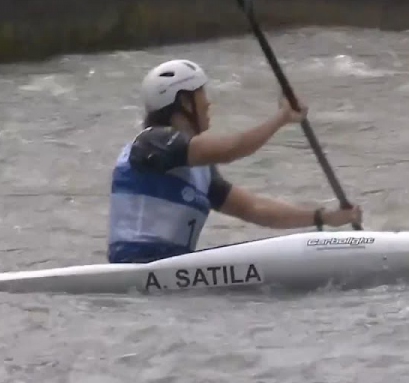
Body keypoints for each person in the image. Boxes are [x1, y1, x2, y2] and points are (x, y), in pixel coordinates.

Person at [107, 59, 363, 264]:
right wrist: (282, 118)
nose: (208, 103)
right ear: (184, 102)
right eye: (201, 94)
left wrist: (323, 218)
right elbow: (231, 149)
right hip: (132, 268)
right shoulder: (151, 143)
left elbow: (254, 208)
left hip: (170, 276)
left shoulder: (199, 171)